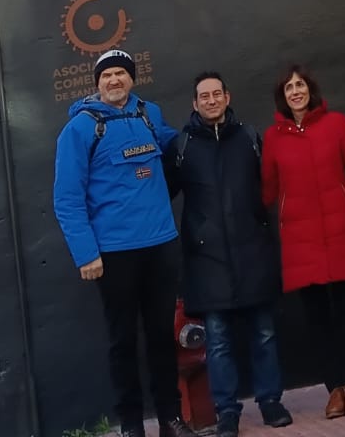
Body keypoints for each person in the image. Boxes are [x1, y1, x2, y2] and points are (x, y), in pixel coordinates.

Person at [51, 49, 198, 437]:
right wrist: (87, 253)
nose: (114, 80)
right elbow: (67, 198)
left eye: (121, 74)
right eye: (107, 75)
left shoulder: (150, 115)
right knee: (123, 342)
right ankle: (132, 426)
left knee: (162, 338)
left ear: (132, 79)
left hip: (161, 246)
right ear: (97, 82)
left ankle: (171, 419)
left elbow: (178, 148)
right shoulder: (80, 129)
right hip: (113, 255)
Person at [167, 73, 292, 434]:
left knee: (264, 334)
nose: (210, 100)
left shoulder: (250, 138)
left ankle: (271, 402)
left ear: (227, 96)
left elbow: (272, 187)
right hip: (207, 262)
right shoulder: (182, 146)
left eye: (216, 94)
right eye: (203, 96)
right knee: (218, 341)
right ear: (194, 103)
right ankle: (227, 412)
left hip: (253, 252)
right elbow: (162, 195)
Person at [261, 65, 345, 420]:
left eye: (301, 84)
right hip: (300, 239)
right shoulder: (274, 137)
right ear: (283, 95)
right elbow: (268, 187)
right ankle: (333, 388)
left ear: (311, 89)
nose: (296, 91)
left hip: (339, 231)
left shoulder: (336, 123)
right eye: (289, 86)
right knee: (318, 318)